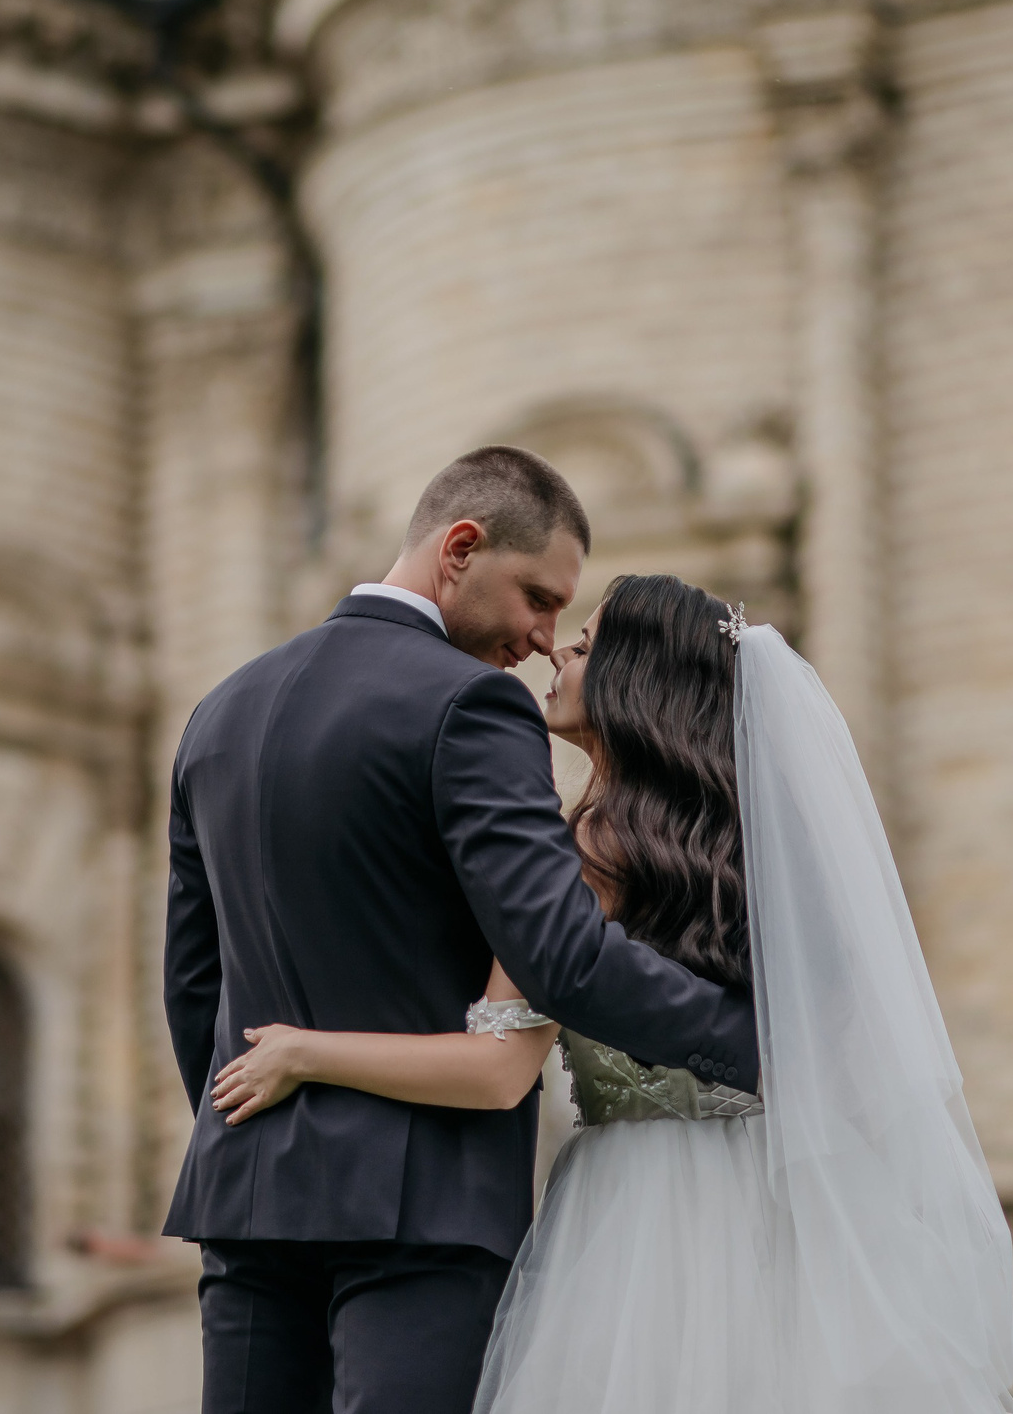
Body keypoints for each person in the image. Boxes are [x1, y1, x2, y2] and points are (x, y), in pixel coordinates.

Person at [212, 573, 1013, 1414]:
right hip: (790, 1209)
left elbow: (498, 1072)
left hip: (643, 1222)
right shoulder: (760, 856)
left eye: (591, 641)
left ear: (639, 680)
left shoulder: (587, 849)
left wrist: (305, 1051)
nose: (558, 647)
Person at [162, 451, 762, 1414]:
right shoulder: (469, 705)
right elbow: (560, 955)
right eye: (536, 597)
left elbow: (194, 982)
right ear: (460, 549)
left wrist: (251, 1126)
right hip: (423, 1208)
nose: (540, 638)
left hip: (246, 1200)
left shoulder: (217, 713)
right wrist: (760, 1042)